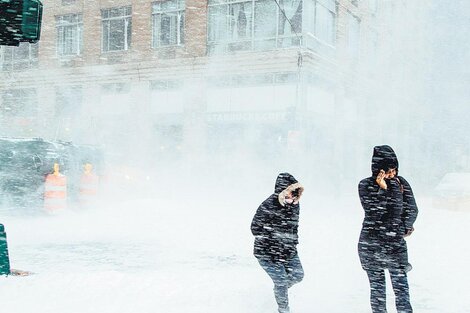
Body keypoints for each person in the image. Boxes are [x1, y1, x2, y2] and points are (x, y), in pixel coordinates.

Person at [358, 145, 419, 313]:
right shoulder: (365, 185)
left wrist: (403, 228)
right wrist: (383, 189)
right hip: (371, 245)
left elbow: (412, 208)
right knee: (378, 290)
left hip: (395, 244)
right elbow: (373, 212)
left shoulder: (401, 183)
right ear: (379, 170)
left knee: (402, 290)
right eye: (388, 171)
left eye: (394, 170)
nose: (392, 174)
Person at [251, 173, 304, 313]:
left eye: (294, 195)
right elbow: (255, 228)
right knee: (281, 281)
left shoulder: (295, 205)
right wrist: (273, 239)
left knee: (298, 275)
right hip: (267, 253)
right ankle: (283, 309)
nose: (292, 199)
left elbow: (294, 227)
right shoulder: (268, 205)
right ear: (281, 192)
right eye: (288, 195)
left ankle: (280, 291)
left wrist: (292, 242)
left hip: (288, 251)